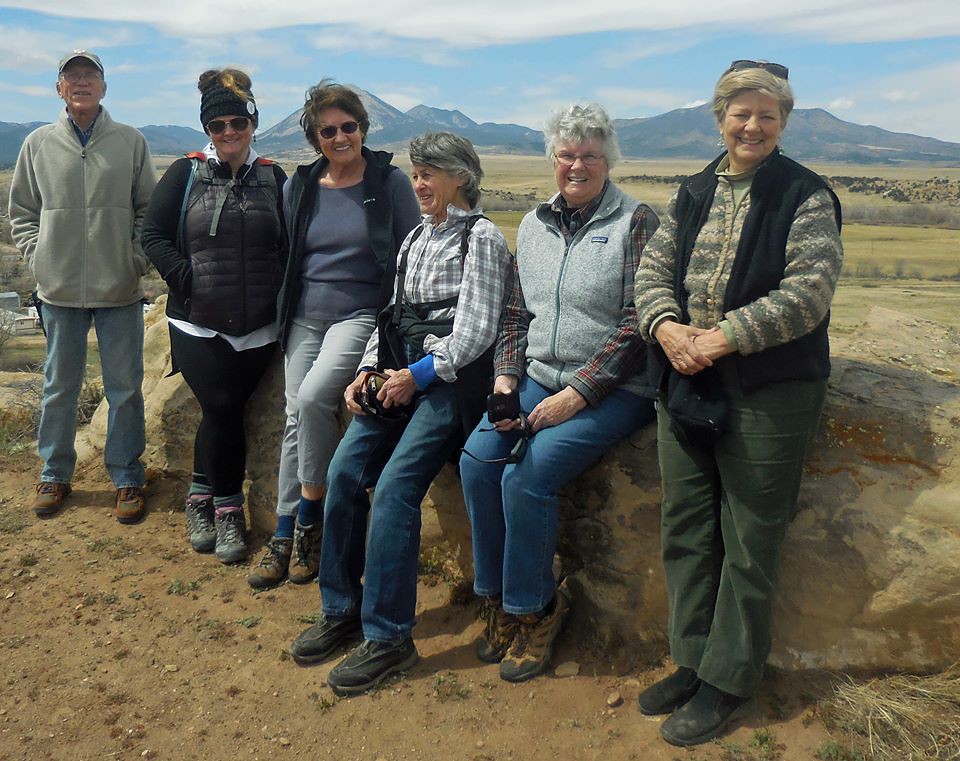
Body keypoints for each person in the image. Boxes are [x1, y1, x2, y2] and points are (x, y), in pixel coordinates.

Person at [633, 60, 843, 747]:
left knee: (751, 537)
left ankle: (729, 677)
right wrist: (667, 328)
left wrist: (720, 339)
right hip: (687, 379)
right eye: (740, 113)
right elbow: (653, 271)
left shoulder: (805, 195)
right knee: (686, 526)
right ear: (719, 116)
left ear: (783, 122)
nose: (752, 126)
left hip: (768, 389)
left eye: (766, 115)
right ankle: (692, 660)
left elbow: (808, 293)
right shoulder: (694, 190)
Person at [289, 132, 513, 696]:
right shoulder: (415, 237)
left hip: (449, 385)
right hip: (398, 376)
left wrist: (415, 377)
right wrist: (367, 371)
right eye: (416, 173)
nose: (419, 184)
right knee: (344, 472)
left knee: (394, 488)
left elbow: (475, 333)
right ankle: (342, 608)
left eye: (430, 173)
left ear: (461, 177)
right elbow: (390, 316)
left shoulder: (482, 239)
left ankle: (389, 638)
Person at [458, 103, 660, 683]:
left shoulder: (636, 221)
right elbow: (515, 313)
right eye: (567, 154)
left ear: (608, 160)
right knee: (478, 461)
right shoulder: (534, 225)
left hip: (616, 389)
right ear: (552, 159)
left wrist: (577, 396)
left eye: (590, 155)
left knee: (526, 476)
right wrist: (505, 379)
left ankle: (536, 608)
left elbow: (637, 324)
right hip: (538, 377)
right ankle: (496, 598)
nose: (577, 165)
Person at [246, 80, 420, 589]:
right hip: (304, 314)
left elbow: (410, 252)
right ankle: (287, 532)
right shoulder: (300, 185)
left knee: (311, 399)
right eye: (328, 131)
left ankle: (307, 521)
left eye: (349, 127)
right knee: (293, 415)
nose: (341, 137)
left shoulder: (388, 183)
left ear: (363, 128)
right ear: (314, 138)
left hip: (359, 314)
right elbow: (288, 252)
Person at [141, 69, 287, 564]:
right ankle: (228, 510)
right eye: (217, 125)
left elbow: (289, 244)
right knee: (223, 406)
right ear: (207, 128)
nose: (228, 132)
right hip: (197, 321)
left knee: (224, 413)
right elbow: (153, 234)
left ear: (252, 123)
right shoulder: (186, 173)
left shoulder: (273, 177)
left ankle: (199, 495)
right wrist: (185, 278)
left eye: (237, 122)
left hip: (259, 326)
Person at [8, 50, 157, 523]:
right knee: (59, 387)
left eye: (90, 75)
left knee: (125, 388)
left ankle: (127, 476)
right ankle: (54, 472)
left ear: (104, 87)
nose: (81, 82)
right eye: (71, 76)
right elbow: (22, 213)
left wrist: (135, 260)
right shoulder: (37, 143)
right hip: (59, 290)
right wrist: (40, 259)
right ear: (59, 89)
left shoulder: (131, 141)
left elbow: (149, 211)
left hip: (120, 288)